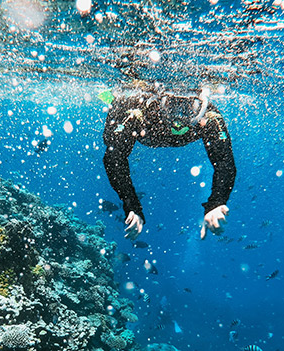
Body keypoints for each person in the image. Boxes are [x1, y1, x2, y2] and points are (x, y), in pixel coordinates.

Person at [100, 81, 236, 240]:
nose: (177, 117)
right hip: (134, 119)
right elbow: (113, 157)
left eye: (187, 107)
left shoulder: (208, 116)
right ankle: (112, 96)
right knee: (110, 138)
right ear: (159, 102)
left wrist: (217, 202)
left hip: (147, 132)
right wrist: (132, 206)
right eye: (170, 105)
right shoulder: (139, 110)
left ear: (200, 104)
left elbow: (224, 161)